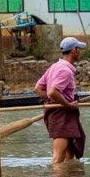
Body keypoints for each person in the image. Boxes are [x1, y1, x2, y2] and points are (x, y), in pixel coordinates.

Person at [35, 36, 87, 164]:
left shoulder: (55, 66)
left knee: (69, 154)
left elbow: (38, 88)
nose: (80, 52)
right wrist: (67, 105)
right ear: (74, 50)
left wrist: (52, 101)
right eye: (79, 49)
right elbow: (52, 91)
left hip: (61, 112)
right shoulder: (65, 70)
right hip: (61, 114)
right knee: (58, 156)